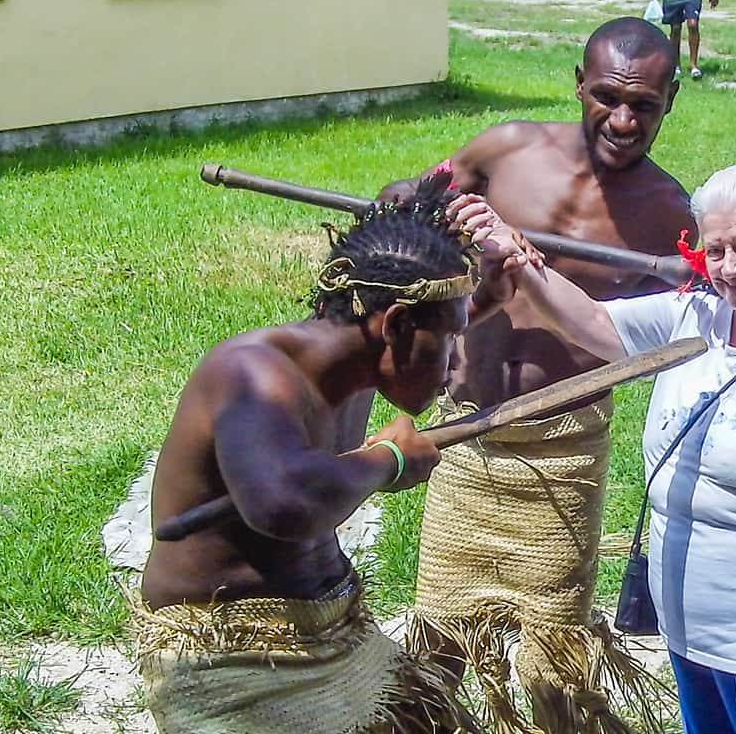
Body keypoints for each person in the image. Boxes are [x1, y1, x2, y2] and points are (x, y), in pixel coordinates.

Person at [453, 160, 736, 734]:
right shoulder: (698, 317)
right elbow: (595, 324)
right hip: (693, 636)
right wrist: (513, 253)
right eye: (715, 252)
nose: (731, 269)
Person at [377, 17, 695, 733]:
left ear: (670, 99)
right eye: (606, 96)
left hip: (565, 453)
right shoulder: (510, 147)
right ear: (578, 84)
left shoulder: (671, 217)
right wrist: (410, 202)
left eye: (643, 104)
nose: (622, 119)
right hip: (468, 440)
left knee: (555, 662)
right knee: (440, 639)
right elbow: (420, 197)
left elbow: (684, 329)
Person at [136, 174, 514, 734]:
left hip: (338, 631)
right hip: (233, 655)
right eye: (454, 339)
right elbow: (281, 503)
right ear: (395, 325)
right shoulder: (254, 375)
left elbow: (421, 322)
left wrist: (493, 291)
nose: (456, 361)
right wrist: (386, 457)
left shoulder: (365, 356)